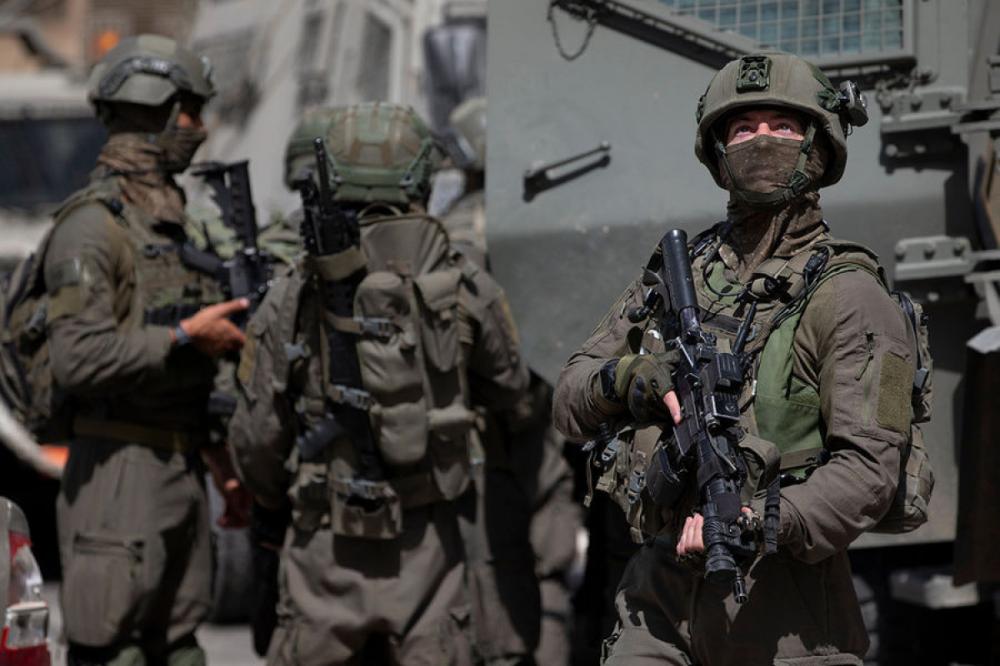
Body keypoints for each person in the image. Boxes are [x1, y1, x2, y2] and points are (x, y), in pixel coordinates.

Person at [553, 52, 921, 665]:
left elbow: (869, 472)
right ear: (718, 151)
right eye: (743, 128)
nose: (762, 140)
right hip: (658, 598)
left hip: (786, 611)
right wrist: (628, 380)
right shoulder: (680, 274)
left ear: (819, 145)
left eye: (783, 125)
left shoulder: (851, 295)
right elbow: (569, 400)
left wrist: (759, 520)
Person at [228, 101, 529, 666]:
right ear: (421, 177)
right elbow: (512, 389)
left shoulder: (294, 290)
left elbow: (256, 437)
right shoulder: (465, 282)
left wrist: (273, 497)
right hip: (430, 548)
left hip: (324, 549)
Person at [48, 34, 250, 665]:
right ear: (153, 106)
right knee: (113, 650)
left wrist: (220, 463)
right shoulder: (91, 227)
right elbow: (78, 358)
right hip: (117, 473)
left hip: (179, 463)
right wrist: (186, 335)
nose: (200, 129)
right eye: (190, 113)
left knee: (181, 650)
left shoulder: (169, 223)